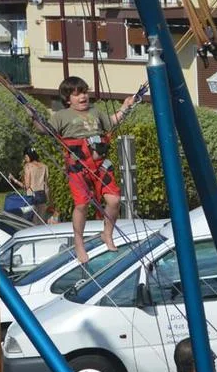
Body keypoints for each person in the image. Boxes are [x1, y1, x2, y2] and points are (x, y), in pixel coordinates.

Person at [36, 77, 135, 264]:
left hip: (100, 165)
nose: (83, 97)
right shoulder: (62, 116)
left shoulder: (95, 112)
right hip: (79, 167)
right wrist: (34, 116)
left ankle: (107, 234)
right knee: (82, 205)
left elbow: (112, 122)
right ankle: (79, 242)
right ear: (68, 99)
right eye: (77, 94)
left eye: (84, 92)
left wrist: (125, 106)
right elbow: (44, 129)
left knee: (114, 200)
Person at [8, 148, 49, 220]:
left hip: (32, 196)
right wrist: (49, 199)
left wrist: (14, 180)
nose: (25, 159)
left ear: (28, 156)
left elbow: (26, 186)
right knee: (41, 220)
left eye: (25, 157)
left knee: (30, 220)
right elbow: (46, 185)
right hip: (42, 195)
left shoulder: (28, 166)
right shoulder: (44, 166)